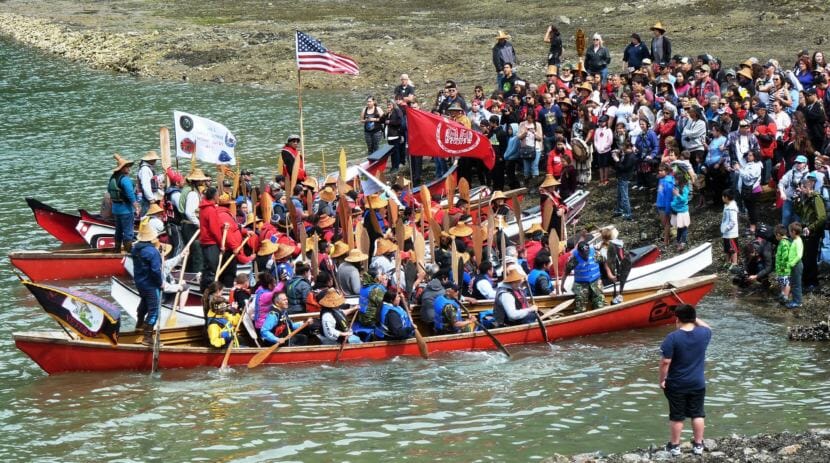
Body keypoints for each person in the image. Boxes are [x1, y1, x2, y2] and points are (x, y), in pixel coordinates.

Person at [659, 304, 712, 457]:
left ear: (677, 319)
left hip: (677, 383)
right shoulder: (704, 334)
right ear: (694, 318)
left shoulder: (672, 337)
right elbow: (708, 327)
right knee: (698, 413)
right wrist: (695, 318)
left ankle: (675, 446)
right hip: (698, 382)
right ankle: (698, 445)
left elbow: (665, 362)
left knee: (677, 415)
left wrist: (662, 380)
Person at [131, 220, 164, 345]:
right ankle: (148, 337)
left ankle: (139, 324)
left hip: (140, 282)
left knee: (144, 301)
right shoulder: (152, 252)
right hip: (151, 284)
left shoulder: (135, 249)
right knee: (154, 309)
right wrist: (160, 283)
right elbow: (155, 271)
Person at [794, 173, 827, 291]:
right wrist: (797, 200)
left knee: (811, 257)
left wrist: (811, 227)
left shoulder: (816, 198)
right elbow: (799, 212)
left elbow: (822, 217)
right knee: (804, 256)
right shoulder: (805, 198)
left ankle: (812, 282)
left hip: (813, 232)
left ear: (806, 188)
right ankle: (805, 280)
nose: (799, 189)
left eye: (801, 188)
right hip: (805, 231)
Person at [561, 240, 605, 313]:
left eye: (587, 253)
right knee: (580, 307)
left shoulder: (595, 253)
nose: (586, 255)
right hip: (581, 285)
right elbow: (566, 272)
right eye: (583, 254)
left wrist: (609, 274)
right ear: (579, 252)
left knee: (600, 305)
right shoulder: (574, 259)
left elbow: (604, 261)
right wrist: (562, 285)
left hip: (596, 282)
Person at [108, 154, 138, 254]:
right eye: (126, 167)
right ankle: (128, 252)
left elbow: (109, 191)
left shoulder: (112, 178)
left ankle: (117, 250)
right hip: (126, 210)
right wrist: (136, 206)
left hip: (116, 210)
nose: (128, 169)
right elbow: (130, 194)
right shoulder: (125, 180)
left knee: (118, 230)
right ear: (122, 169)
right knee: (128, 232)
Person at [720, 189, 740, 271]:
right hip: (726, 233)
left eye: (723, 196)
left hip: (731, 233)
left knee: (733, 248)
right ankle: (728, 261)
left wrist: (726, 228)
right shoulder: (727, 206)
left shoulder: (732, 208)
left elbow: (733, 221)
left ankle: (734, 263)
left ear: (726, 197)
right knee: (727, 248)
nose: (722, 198)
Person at [136, 150, 161, 216]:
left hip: (147, 197)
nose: (155, 161)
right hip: (146, 199)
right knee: (146, 216)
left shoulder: (148, 168)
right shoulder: (145, 169)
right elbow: (146, 185)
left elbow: (153, 180)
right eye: (154, 159)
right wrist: (151, 198)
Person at [786, 222, 805, 309]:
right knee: (793, 283)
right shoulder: (795, 240)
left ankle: (798, 302)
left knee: (796, 284)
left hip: (797, 265)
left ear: (793, 232)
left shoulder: (798, 241)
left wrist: (792, 263)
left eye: (790, 232)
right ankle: (795, 300)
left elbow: (799, 255)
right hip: (794, 265)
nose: (789, 233)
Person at [656, 163, 675, 245]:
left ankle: (666, 241)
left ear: (666, 171)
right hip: (660, 204)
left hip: (664, 206)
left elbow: (668, 197)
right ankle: (668, 237)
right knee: (665, 223)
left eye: (661, 171)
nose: (659, 172)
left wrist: (667, 210)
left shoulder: (668, 182)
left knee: (666, 224)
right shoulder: (661, 179)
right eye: (659, 171)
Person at [774, 224, 794, 305]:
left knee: (786, 282)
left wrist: (782, 264)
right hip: (781, 267)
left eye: (775, 235)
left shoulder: (785, 242)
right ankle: (782, 294)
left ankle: (785, 296)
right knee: (782, 281)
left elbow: (785, 255)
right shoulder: (782, 242)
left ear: (778, 234)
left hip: (785, 267)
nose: (775, 237)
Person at [671, 173, 691, 251]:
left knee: (684, 228)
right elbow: (674, 199)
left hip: (683, 212)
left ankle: (683, 242)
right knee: (679, 227)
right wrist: (672, 204)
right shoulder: (676, 187)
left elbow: (685, 200)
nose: (674, 181)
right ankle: (678, 241)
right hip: (676, 211)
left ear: (679, 180)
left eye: (675, 179)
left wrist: (678, 195)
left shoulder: (685, 188)